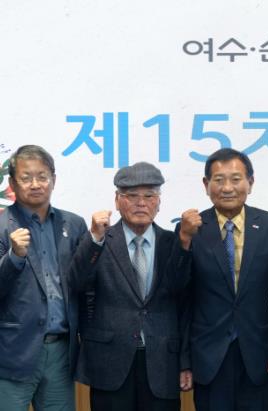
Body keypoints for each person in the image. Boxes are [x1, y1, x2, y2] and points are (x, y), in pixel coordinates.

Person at [69, 161, 198, 411]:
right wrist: (94, 238)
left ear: (159, 202)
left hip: (162, 361)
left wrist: (185, 361)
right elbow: (77, 282)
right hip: (109, 361)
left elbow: (184, 302)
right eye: (131, 196)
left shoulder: (173, 242)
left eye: (149, 196)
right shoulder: (100, 239)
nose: (141, 203)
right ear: (117, 200)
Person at [176, 148, 268, 411]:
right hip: (208, 356)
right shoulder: (191, 229)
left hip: (260, 355)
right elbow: (181, 299)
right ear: (206, 185)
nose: (227, 188)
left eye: (236, 179)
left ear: (250, 183)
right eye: (219, 180)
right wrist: (184, 360)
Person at [0, 145, 88, 411]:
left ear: (54, 180)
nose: (35, 184)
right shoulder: (2, 226)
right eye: (26, 178)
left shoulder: (73, 225)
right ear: (13, 183)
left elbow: (85, 284)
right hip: (12, 352)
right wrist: (14, 257)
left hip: (61, 351)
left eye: (42, 176)